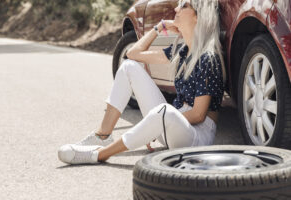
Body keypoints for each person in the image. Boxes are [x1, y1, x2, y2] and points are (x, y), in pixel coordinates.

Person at [58, 0, 226, 165]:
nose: (176, 9)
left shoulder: (208, 58)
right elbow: (132, 53)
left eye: (184, 6)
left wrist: (153, 125)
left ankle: (99, 155)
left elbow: (198, 115)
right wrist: (159, 27)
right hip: (171, 125)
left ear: (199, 16)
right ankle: (103, 136)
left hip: (196, 137)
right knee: (128, 67)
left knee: (164, 111)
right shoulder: (181, 51)